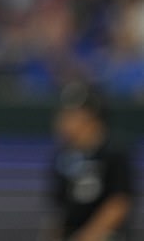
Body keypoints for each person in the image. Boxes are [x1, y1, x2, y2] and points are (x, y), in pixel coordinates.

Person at [50, 82, 134, 241]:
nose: (63, 120)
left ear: (91, 117)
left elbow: (118, 204)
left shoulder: (113, 151)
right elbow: (61, 212)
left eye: (71, 114)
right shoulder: (63, 155)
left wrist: (87, 237)